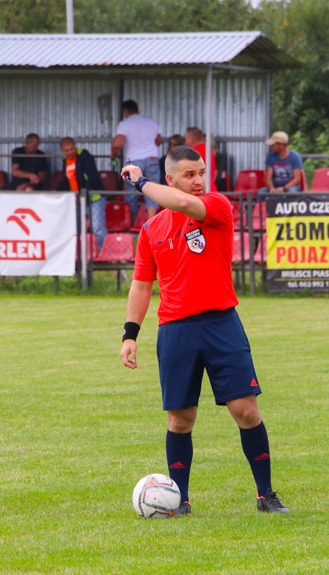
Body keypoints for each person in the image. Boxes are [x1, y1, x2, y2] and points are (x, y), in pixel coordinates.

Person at [119, 146, 289, 516]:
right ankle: (178, 500)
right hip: (176, 331)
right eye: (189, 175)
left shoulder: (215, 206)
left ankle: (266, 495)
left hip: (221, 324)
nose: (198, 181)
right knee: (180, 418)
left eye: (201, 173)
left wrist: (141, 183)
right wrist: (130, 334)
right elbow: (142, 285)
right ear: (171, 179)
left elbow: (184, 204)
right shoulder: (151, 230)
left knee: (246, 411)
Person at [111, 100, 163, 220]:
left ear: (126, 111)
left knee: (131, 191)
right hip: (152, 158)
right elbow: (158, 141)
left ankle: (131, 222)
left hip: (132, 161)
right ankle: (151, 222)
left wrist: (113, 155)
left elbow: (117, 144)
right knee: (152, 190)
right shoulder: (151, 122)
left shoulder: (124, 124)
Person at [57, 137, 107, 253]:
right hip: (76, 199)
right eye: (67, 150)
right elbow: (66, 180)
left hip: (94, 198)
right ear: (63, 151)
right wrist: (58, 191)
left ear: (75, 146)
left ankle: (104, 252)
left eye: (72, 149)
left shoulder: (85, 156)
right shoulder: (66, 161)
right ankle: (79, 254)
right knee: (76, 227)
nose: (70, 152)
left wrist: (83, 194)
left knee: (97, 227)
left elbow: (92, 177)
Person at [184, 127, 217, 192]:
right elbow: (215, 173)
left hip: (198, 191)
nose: (185, 142)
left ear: (191, 139)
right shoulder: (209, 151)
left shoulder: (192, 153)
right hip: (211, 188)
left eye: (186, 138)